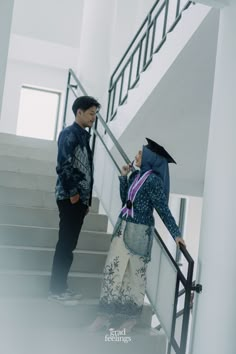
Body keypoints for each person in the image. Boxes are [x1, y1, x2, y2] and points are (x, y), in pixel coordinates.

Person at [89, 138, 185, 331]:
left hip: (140, 234)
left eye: (141, 153)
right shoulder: (135, 176)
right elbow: (126, 200)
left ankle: (130, 319)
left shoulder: (154, 182)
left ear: (150, 157)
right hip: (123, 228)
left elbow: (163, 210)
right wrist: (123, 178)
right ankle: (104, 316)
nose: (136, 156)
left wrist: (176, 234)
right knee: (113, 271)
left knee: (135, 276)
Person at [49, 95, 101, 304]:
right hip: (69, 198)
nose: (93, 118)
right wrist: (74, 195)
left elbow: (86, 169)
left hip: (79, 200)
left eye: (95, 114)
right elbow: (63, 165)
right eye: (90, 113)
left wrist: (86, 201)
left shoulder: (83, 137)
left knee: (69, 245)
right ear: (79, 112)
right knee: (65, 244)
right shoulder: (68, 134)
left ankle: (61, 287)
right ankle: (56, 291)